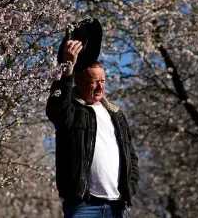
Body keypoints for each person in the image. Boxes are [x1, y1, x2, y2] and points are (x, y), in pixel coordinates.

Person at [46, 39, 140, 218]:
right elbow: (56, 108)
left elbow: (131, 155)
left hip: (117, 207)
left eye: (103, 80)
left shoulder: (116, 114)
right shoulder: (72, 111)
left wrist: (131, 185)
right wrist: (67, 69)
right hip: (83, 205)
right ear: (78, 82)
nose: (100, 86)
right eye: (94, 81)